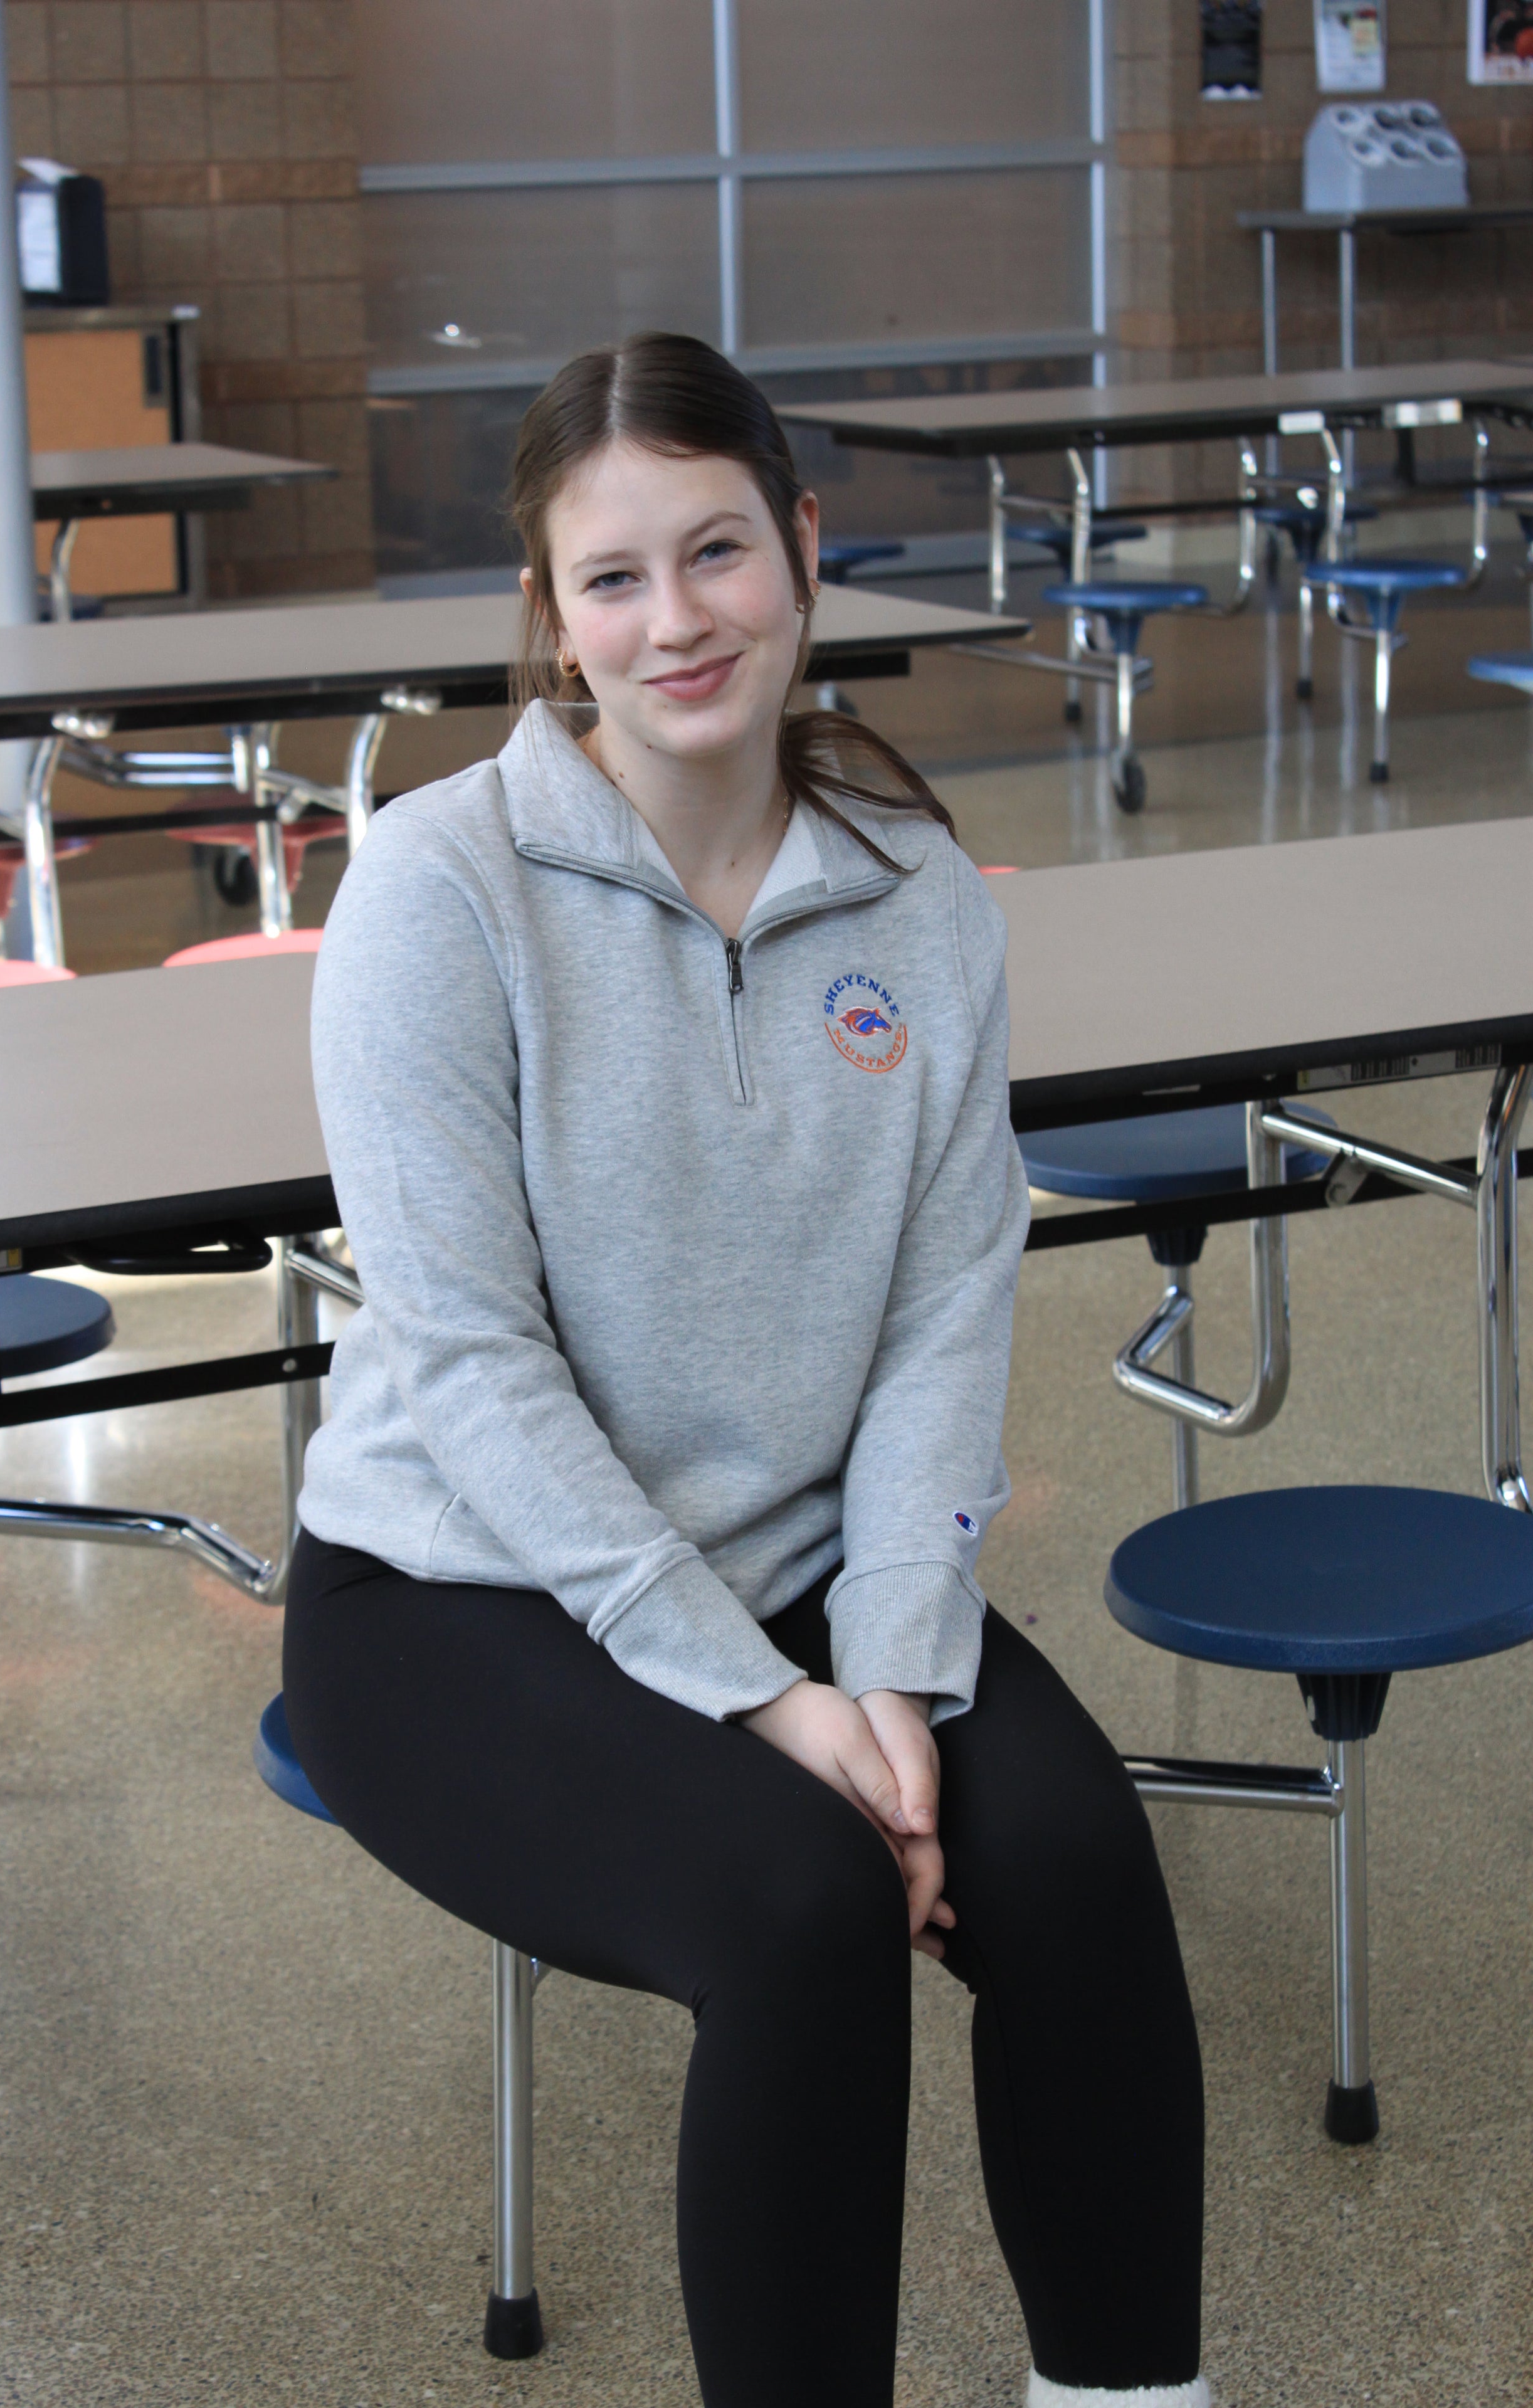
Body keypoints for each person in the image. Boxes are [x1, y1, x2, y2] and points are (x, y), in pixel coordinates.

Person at [284, 331, 1208, 2408]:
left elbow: (941, 1320)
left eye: (717, 551)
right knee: (799, 1908)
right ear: (551, 617)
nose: (675, 618)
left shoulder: (919, 901)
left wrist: (885, 1666)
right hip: (462, 1593)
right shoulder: (441, 892)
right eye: (612, 578)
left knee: (1068, 1857)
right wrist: (764, 1705)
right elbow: (473, 1358)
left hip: (802, 1562)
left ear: (801, 547)